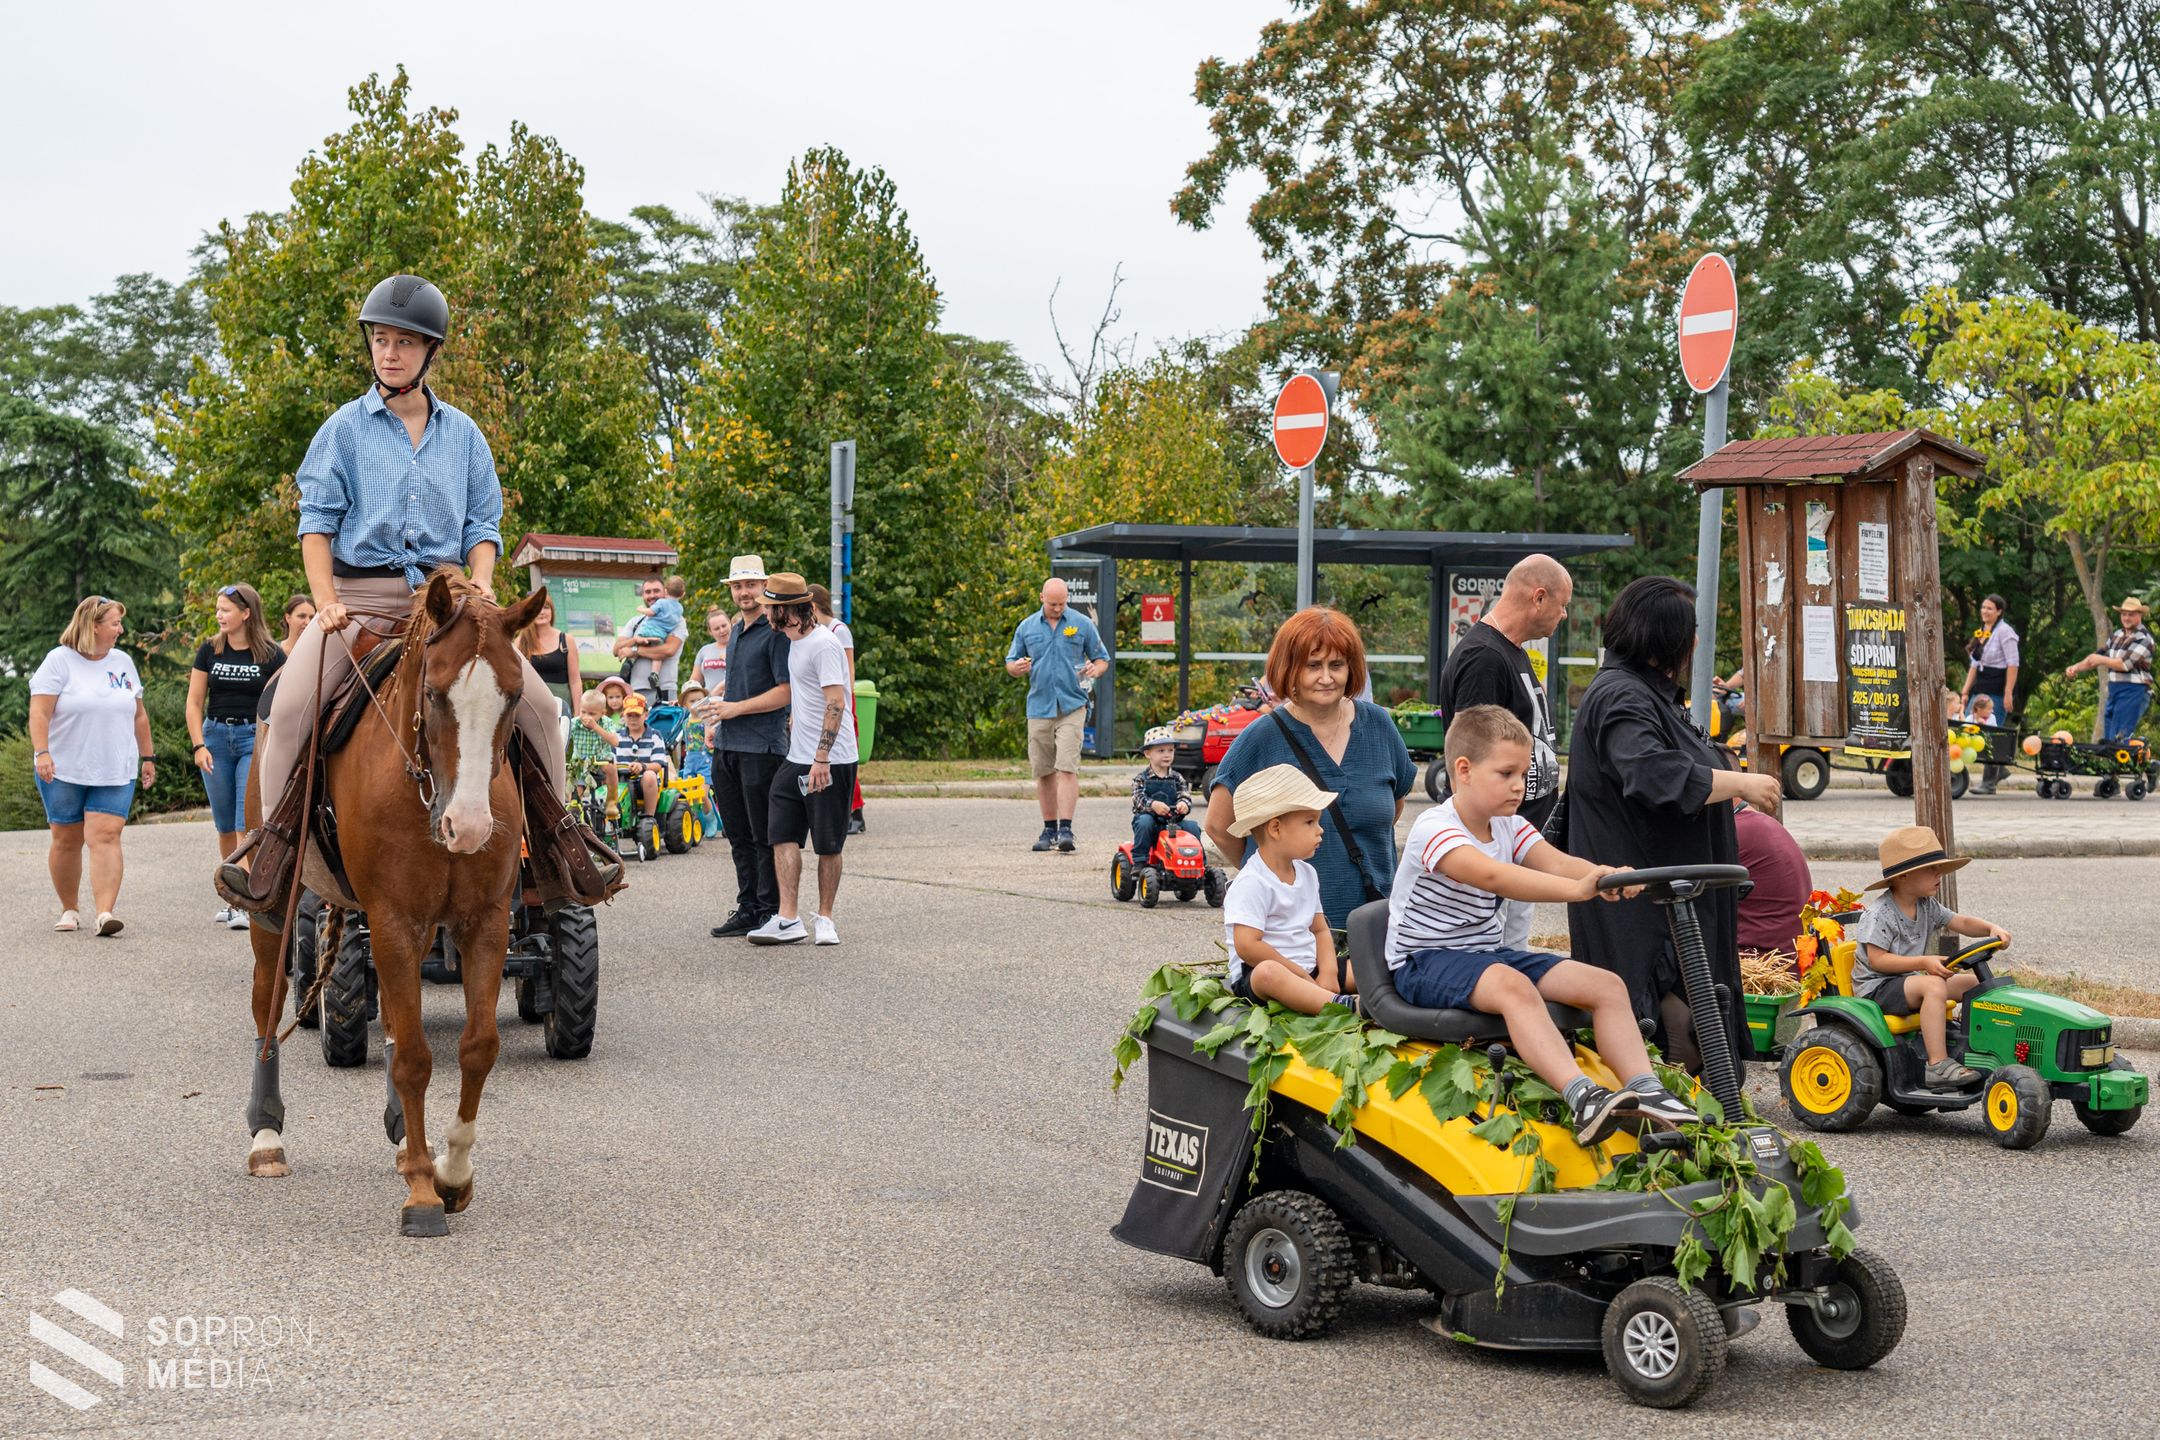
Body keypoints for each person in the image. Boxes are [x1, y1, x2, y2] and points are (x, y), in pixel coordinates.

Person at [218, 274, 619, 923]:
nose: (389, 353)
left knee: (543, 710)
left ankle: (558, 841)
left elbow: (483, 528)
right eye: (381, 340)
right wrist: (324, 601)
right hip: (360, 600)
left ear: (431, 352)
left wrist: (482, 581)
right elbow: (315, 527)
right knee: (290, 708)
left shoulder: (464, 436)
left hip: (447, 603)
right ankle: (272, 856)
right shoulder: (342, 430)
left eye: (404, 342)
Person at [1385, 705, 1698, 1145]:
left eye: (1523, 772)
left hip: (1485, 957)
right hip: (1424, 961)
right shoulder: (1434, 828)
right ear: (1464, 769)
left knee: (1606, 985)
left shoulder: (1509, 826)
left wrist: (1607, 876)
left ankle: (1646, 1090)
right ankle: (1582, 1097)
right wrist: (1579, 891)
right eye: (1507, 773)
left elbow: (1557, 862)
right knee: (1514, 986)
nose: (1520, 785)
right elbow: (1495, 877)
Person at [1562, 576, 1783, 1072]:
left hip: (1667, 893)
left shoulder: (1644, 692)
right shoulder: (1623, 696)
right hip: (1645, 902)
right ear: (1664, 639)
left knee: (1696, 1019)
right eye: (1691, 630)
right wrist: (1739, 784)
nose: (1697, 641)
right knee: (1669, 1035)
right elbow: (1652, 774)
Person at [1206, 607, 1417, 934]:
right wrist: (1269, 877)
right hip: (1292, 937)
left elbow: (1393, 807)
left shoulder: (1379, 726)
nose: (1326, 677)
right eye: (1313, 666)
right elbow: (1220, 826)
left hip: (1374, 929)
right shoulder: (1262, 737)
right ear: (1289, 669)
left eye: (1337, 665)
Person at [1434, 553, 1572, 948]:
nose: (1563, 616)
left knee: (1513, 954)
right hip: (1492, 846)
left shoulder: (1511, 651)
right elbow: (1473, 757)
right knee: (1495, 957)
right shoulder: (1484, 658)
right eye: (1562, 605)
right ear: (1539, 598)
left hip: (1515, 837)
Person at [1844, 825, 2011, 1089]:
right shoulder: (1880, 914)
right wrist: (1924, 962)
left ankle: (1976, 1046)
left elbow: (1962, 921)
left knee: (1974, 985)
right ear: (1904, 876)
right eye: (1932, 869)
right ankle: (1937, 1065)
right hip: (1876, 989)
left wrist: (1991, 928)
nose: (1939, 875)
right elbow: (1878, 960)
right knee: (1933, 984)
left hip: (1907, 982)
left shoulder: (1926, 905)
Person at [29, 595, 157, 937]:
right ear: (93, 625)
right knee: (66, 840)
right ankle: (70, 908)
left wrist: (148, 756)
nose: (121, 630)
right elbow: (39, 712)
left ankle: (105, 913)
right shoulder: (59, 662)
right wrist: (42, 752)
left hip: (115, 766)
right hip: (64, 768)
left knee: (106, 836)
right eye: (115, 623)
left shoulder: (123, 662)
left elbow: (139, 714)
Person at [748, 573, 858, 947]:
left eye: (769, 608)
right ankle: (788, 917)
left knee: (828, 844)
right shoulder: (794, 641)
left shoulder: (824, 645)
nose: (765, 614)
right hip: (797, 757)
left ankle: (825, 919)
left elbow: (836, 701)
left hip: (831, 759)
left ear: (787, 610)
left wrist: (822, 757)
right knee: (780, 834)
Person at [707, 555, 794, 940]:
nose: (744, 592)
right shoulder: (737, 632)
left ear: (763, 587)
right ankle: (748, 906)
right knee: (738, 835)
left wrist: (735, 708)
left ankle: (768, 910)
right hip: (728, 744)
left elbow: (785, 691)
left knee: (763, 835)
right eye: (738, 586)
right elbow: (743, 681)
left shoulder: (776, 632)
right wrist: (718, 705)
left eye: (751, 585)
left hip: (762, 746)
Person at [187, 583, 284, 927]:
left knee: (246, 821)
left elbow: (281, 700)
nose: (219, 615)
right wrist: (198, 745)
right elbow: (195, 702)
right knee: (225, 824)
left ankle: (246, 902)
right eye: (217, 610)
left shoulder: (272, 654)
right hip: (215, 738)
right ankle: (232, 896)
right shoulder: (209, 650)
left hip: (252, 740)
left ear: (246, 613)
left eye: (225, 609)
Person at [1220, 764, 1353, 1014]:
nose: (1320, 829)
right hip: (1264, 974)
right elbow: (1248, 947)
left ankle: (1374, 997)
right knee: (1268, 974)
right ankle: (1344, 1006)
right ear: (1276, 829)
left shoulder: (1307, 873)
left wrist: (1328, 972)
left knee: (1366, 968)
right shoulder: (1252, 882)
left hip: (1308, 966)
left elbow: (1320, 929)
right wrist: (1300, 976)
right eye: (1310, 822)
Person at [1005, 577, 1109, 852]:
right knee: (1044, 770)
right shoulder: (1027, 627)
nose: (1058, 608)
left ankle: (1066, 829)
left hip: (1072, 705)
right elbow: (1010, 661)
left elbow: (1102, 659)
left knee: (1067, 766)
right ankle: (1048, 828)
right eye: (1053, 604)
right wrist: (1016, 668)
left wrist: (1095, 670)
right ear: (1042, 598)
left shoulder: (1081, 624)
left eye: (1062, 603)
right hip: (1039, 707)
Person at [809, 583, 866, 835]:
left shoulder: (838, 630)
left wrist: (846, 702)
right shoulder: (815, 631)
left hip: (841, 703)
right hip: (824, 703)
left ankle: (856, 811)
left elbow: (848, 671)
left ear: (813, 606)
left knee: (844, 757)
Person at [2065, 596, 2154, 743]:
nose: (2126, 618)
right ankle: (2113, 763)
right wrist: (2075, 668)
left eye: (2131, 614)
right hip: (2114, 689)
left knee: (2120, 736)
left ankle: (2125, 763)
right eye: (2123, 614)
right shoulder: (2117, 635)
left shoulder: (2144, 638)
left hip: (2134, 689)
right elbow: (2096, 657)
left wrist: (2101, 660)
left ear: (2140, 615)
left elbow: (2124, 665)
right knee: (2109, 736)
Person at [1961, 595, 2019, 792]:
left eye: (1990, 608)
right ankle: (2000, 769)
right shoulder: (1982, 632)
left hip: (1997, 688)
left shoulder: (2005, 632)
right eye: (1983, 607)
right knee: (1968, 726)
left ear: (1999, 611)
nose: (1985, 611)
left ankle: (1989, 782)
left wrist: (2008, 693)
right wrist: (1965, 691)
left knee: (1990, 733)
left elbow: (2013, 664)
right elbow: (1974, 665)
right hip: (1981, 686)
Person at [1130, 725, 1200, 866]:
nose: (1167, 754)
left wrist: (1184, 804)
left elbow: (1184, 795)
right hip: (1150, 822)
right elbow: (1137, 799)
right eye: (1161, 751)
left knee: (1193, 827)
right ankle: (1139, 861)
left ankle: (1199, 862)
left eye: (1170, 750)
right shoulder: (1141, 778)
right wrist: (1153, 805)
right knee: (1144, 822)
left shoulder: (1177, 778)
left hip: (1173, 822)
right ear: (1148, 754)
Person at [611, 696, 670, 847]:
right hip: (622, 781)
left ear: (646, 715)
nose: (633, 719)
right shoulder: (616, 736)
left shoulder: (655, 736)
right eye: (629, 715)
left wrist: (643, 767)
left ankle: (649, 817)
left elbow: (658, 764)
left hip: (644, 781)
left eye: (637, 715)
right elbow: (610, 758)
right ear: (623, 715)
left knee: (650, 776)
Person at [618, 574, 687, 695]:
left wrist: (634, 651)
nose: (652, 595)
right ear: (643, 595)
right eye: (648, 592)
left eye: (656, 591)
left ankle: (649, 671)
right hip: (634, 691)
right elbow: (617, 649)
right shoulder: (635, 621)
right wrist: (635, 640)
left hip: (664, 691)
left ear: (665, 593)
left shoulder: (677, 621)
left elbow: (668, 650)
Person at [521, 592, 584, 716]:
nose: (542, 612)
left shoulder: (566, 640)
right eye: (537, 608)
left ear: (552, 611)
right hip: (531, 710)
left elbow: (575, 680)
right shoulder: (520, 641)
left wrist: (578, 714)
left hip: (560, 708)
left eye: (546, 607)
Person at [692, 604, 731, 699]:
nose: (722, 631)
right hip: (709, 703)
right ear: (710, 631)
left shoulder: (740, 647)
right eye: (717, 629)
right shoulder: (704, 650)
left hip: (731, 701)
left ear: (730, 623)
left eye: (724, 626)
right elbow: (694, 682)